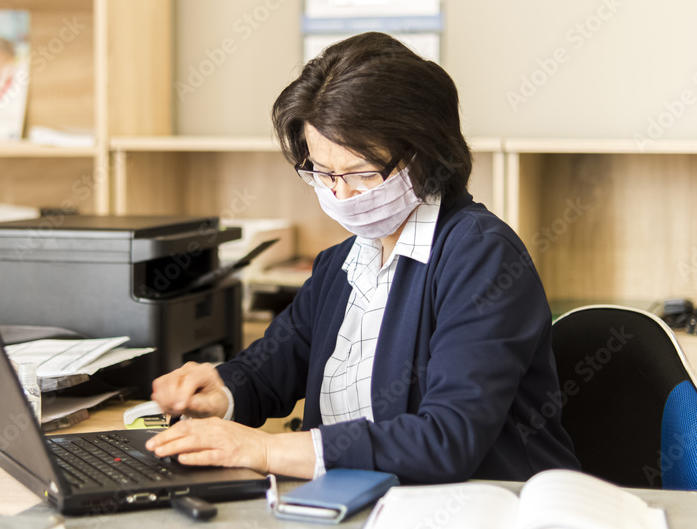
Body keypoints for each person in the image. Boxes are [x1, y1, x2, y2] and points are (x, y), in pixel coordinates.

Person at [147, 32, 580, 483]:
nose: (340, 193)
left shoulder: (481, 256)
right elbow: (271, 369)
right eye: (323, 171)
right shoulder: (342, 263)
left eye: (361, 173)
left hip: (484, 508)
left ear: (425, 155)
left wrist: (267, 449)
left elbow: (447, 440)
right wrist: (221, 391)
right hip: (356, 500)